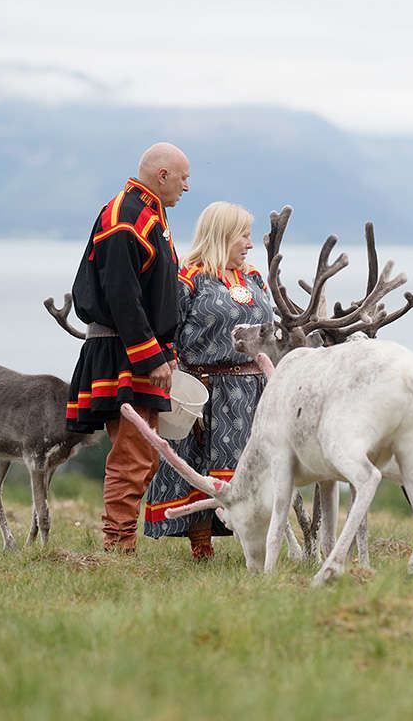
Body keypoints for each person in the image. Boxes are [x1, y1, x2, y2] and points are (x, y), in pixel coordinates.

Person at [65, 142, 190, 554]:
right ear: (163, 175)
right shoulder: (126, 214)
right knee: (133, 453)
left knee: (144, 453)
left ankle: (120, 541)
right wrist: (151, 355)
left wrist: (165, 352)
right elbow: (121, 294)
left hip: (137, 348)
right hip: (124, 350)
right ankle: (118, 545)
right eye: (184, 178)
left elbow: (153, 295)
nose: (187, 187)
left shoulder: (148, 214)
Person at [144, 201, 272, 560]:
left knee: (255, 469)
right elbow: (167, 332)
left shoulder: (254, 278)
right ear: (222, 235)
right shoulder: (189, 278)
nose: (249, 244)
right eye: (243, 236)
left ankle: (257, 543)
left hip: (254, 389)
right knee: (201, 465)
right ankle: (201, 544)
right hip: (207, 388)